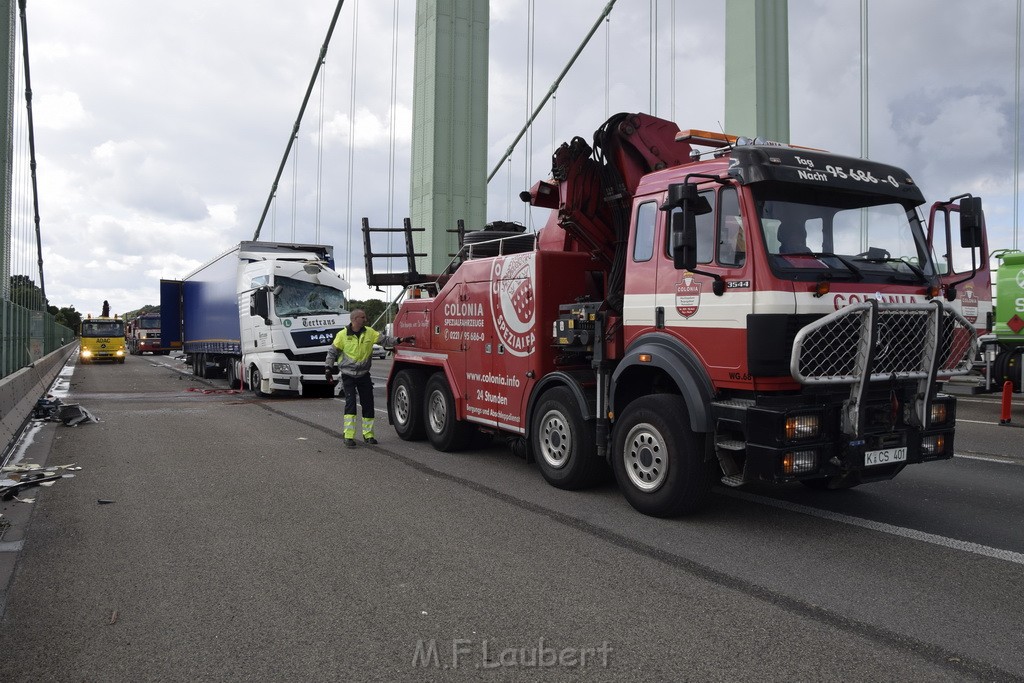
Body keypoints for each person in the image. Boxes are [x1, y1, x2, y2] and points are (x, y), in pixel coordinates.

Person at [325, 309, 413, 448]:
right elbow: (332, 352)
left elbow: (385, 340)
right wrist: (328, 369)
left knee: (368, 404)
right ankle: (348, 436)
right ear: (354, 319)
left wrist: (400, 340)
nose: (365, 319)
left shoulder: (370, 332)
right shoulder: (342, 335)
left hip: (364, 375)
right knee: (351, 404)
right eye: (363, 317)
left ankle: (369, 435)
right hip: (348, 375)